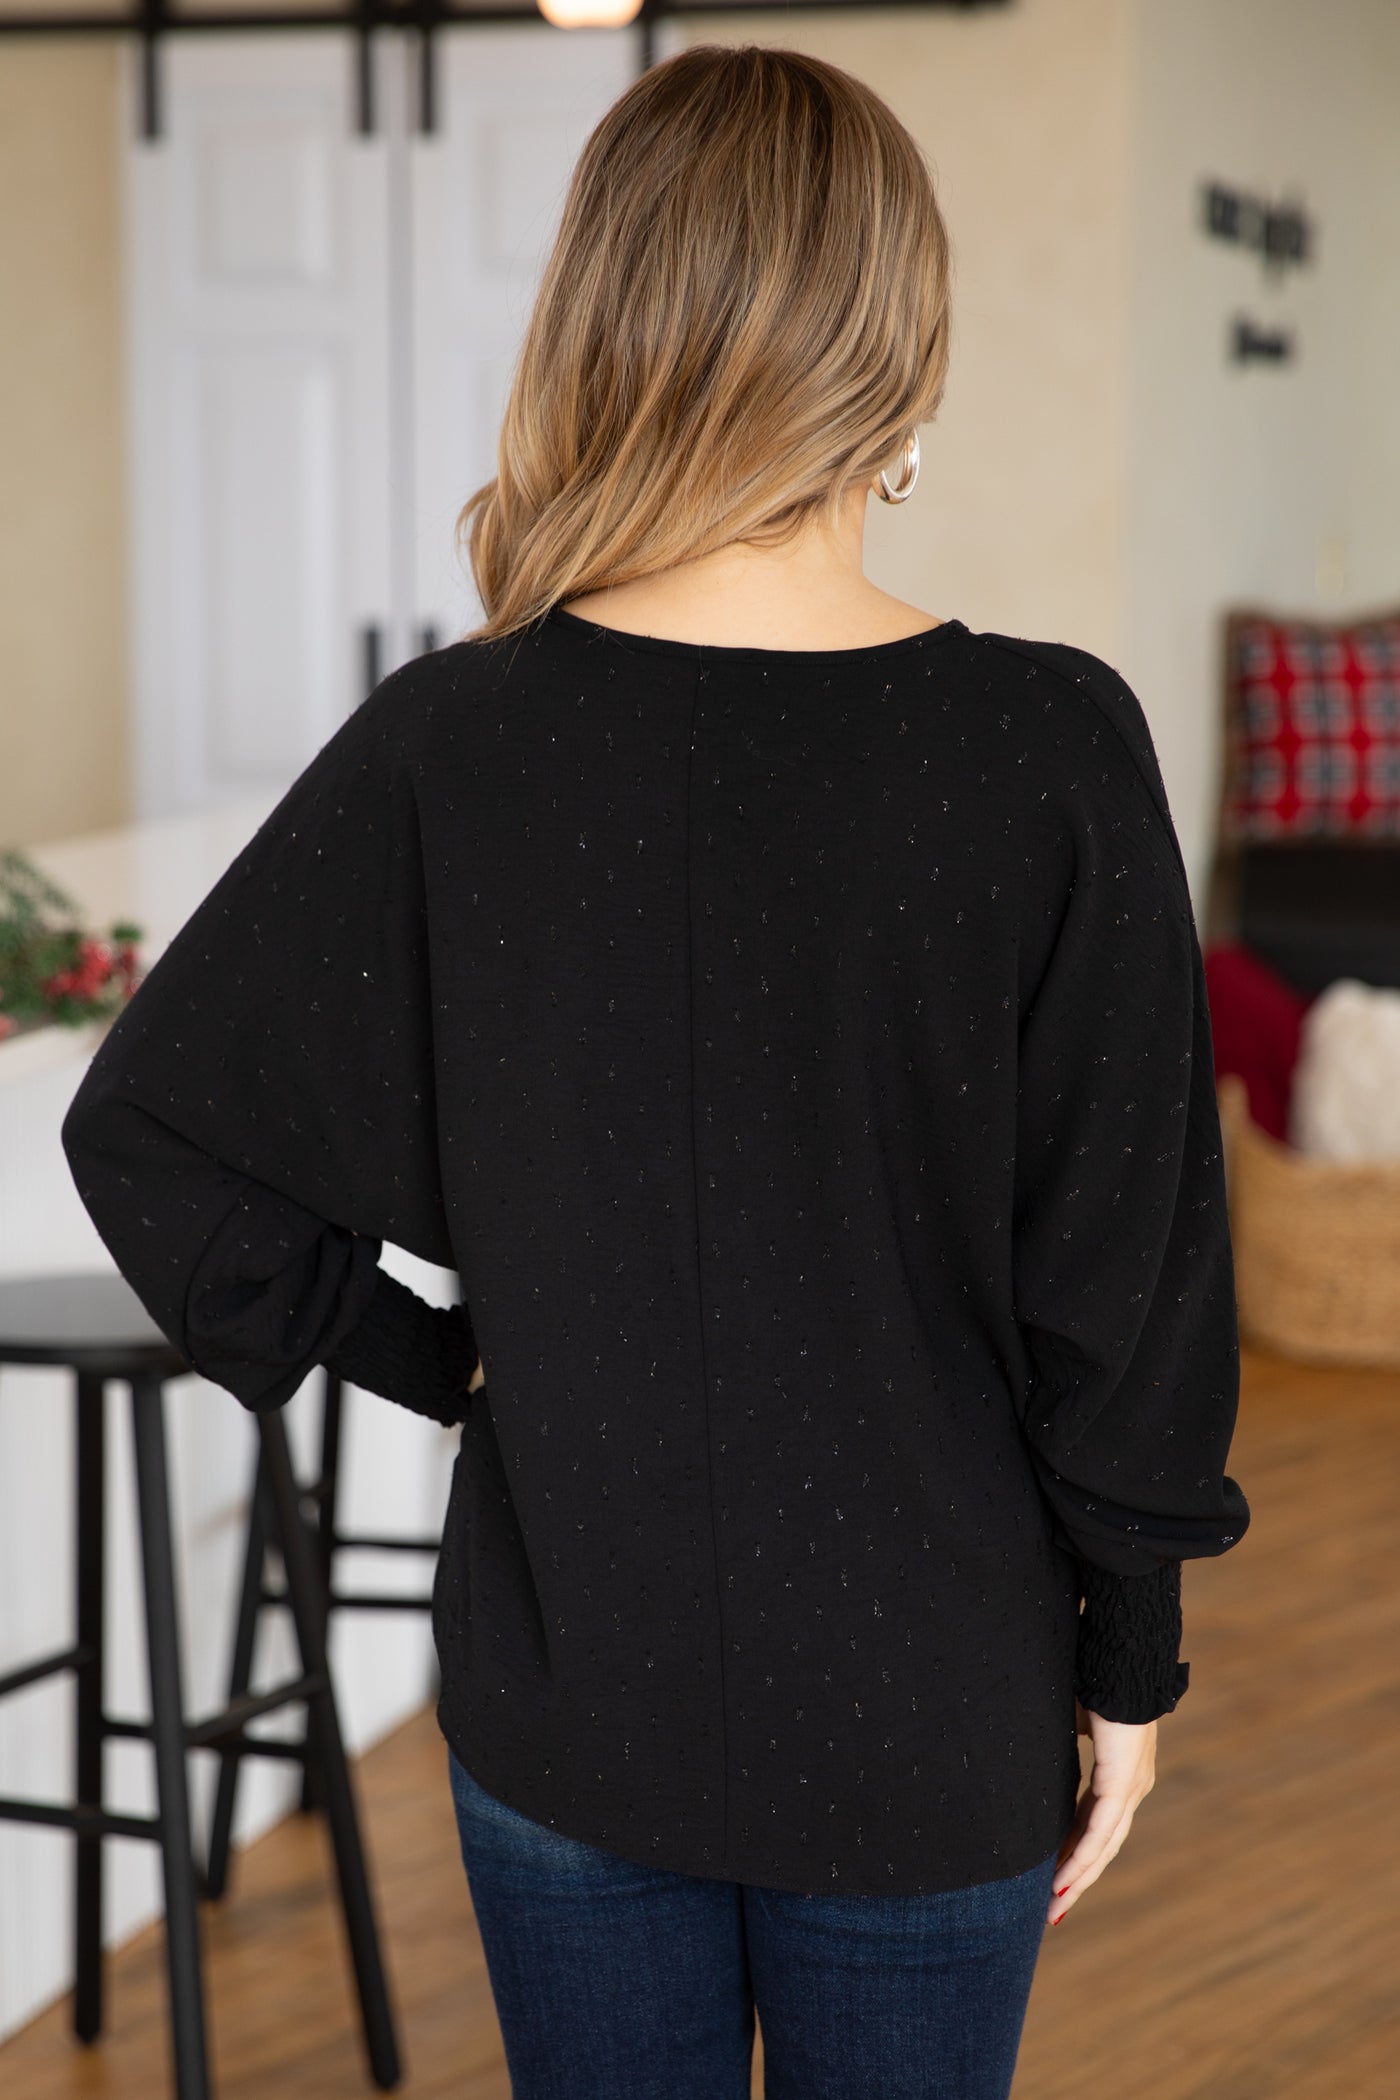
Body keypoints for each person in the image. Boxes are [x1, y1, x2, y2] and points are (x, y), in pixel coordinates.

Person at [60, 42, 1250, 2100]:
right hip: (932, 1700)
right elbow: (1124, 1288)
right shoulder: (1050, 747)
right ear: (898, 349)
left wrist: (447, 1365)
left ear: (605, 320)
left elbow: (153, 1130)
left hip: (570, 1687)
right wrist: (1127, 1660)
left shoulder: (458, 739)